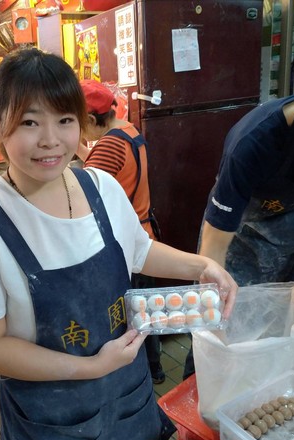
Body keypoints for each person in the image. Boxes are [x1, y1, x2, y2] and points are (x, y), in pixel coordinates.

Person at [0, 47, 237, 440]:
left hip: (127, 398)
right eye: (29, 122)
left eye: (64, 120)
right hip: (52, 421)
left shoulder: (100, 186)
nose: (50, 140)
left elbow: (137, 250)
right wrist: (91, 366)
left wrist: (201, 266)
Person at [183, 67, 294, 379]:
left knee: (283, 329)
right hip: (239, 238)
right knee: (221, 331)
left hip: (292, 233)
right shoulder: (254, 142)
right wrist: (212, 315)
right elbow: (215, 242)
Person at [78, 79, 165, 384]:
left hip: (125, 244)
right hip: (143, 231)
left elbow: (85, 190)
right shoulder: (127, 131)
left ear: (89, 120)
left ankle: (141, 373)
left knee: (131, 317)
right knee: (144, 310)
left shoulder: (109, 145)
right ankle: (155, 368)